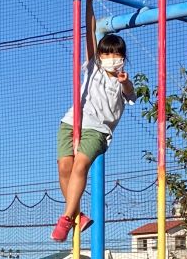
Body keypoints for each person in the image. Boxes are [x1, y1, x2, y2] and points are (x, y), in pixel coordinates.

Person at [52, 29, 136, 243]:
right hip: (72, 121)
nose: (110, 58)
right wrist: (88, 7)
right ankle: (78, 215)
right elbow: (90, 33)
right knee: (64, 167)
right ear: (99, 56)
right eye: (106, 54)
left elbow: (130, 93)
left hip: (98, 130)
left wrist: (124, 82)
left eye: (115, 54)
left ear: (123, 57)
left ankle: (66, 218)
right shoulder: (94, 68)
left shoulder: (122, 82)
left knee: (80, 165)